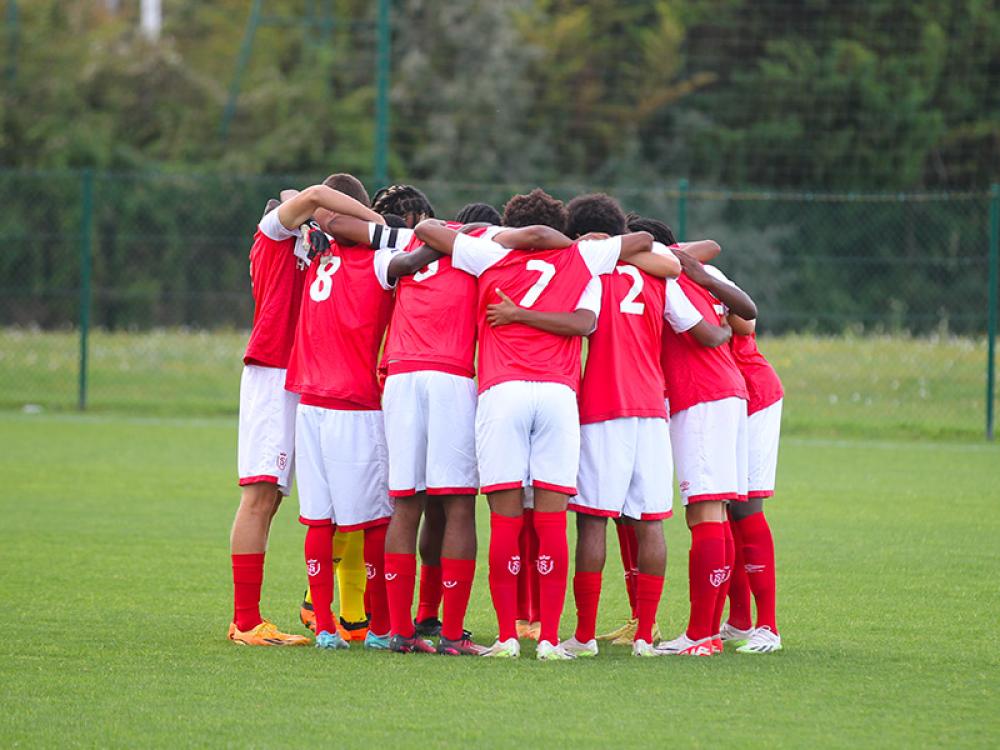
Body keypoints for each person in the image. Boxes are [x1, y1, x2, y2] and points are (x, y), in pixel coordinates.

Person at [415, 205, 674, 660]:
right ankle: (552, 639)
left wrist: (498, 240)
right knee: (552, 520)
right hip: (558, 396)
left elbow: (425, 229)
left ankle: (508, 638)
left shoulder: (487, 253)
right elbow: (638, 247)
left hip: (503, 392)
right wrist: (584, 246)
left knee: (506, 520)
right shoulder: (584, 257)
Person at [284, 177, 440, 651]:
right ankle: (377, 627)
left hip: (309, 402)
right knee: (373, 521)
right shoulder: (381, 260)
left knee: (320, 520)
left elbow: (287, 200)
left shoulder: (315, 252)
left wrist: (322, 222)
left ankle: (326, 626)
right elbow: (422, 254)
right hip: (356, 401)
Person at [228, 177, 376, 647]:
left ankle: (317, 607)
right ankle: (246, 621)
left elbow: (301, 198)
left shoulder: (312, 240)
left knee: (308, 497)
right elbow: (306, 194)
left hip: (309, 376)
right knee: (260, 494)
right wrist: (382, 226)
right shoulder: (275, 233)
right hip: (274, 372)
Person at [647, 222, 759, 657]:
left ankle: (699, 635)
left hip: (702, 397)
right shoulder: (699, 273)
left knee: (707, 512)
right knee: (713, 513)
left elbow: (706, 333)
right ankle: (708, 632)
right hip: (728, 394)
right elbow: (744, 313)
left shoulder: (668, 278)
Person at [720, 313, 784, 654]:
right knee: (724, 508)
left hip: (754, 395)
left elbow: (747, 320)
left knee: (746, 508)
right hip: (722, 401)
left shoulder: (707, 278)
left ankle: (769, 627)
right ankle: (740, 620)